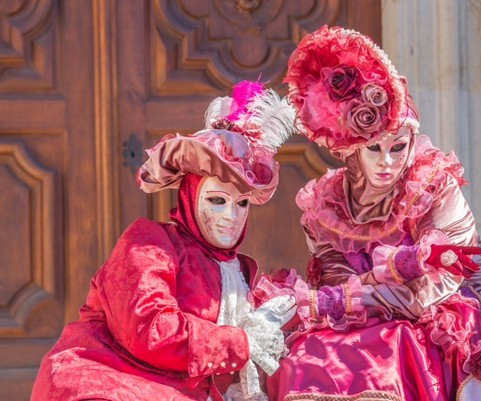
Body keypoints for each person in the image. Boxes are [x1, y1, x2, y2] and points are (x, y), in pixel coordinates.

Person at [267, 25, 481, 401]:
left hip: (448, 316)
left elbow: (432, 288)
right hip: (366, 322)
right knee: (308, 356)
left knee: (400, 354)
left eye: (399, 147)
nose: (388, 163)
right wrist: (343, 301)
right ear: (353, 149)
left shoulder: (434, 185)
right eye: (375, 149)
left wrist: (355, 298)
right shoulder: (326, 205)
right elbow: (336, 280)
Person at [31, 81, 297, 401]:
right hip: (115, 382)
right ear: (190, 194)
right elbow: (150, 329)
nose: (231, 216)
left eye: (241, 204)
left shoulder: (242, 273)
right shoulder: (150, 246)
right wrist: (240, 342)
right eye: (216, 200)